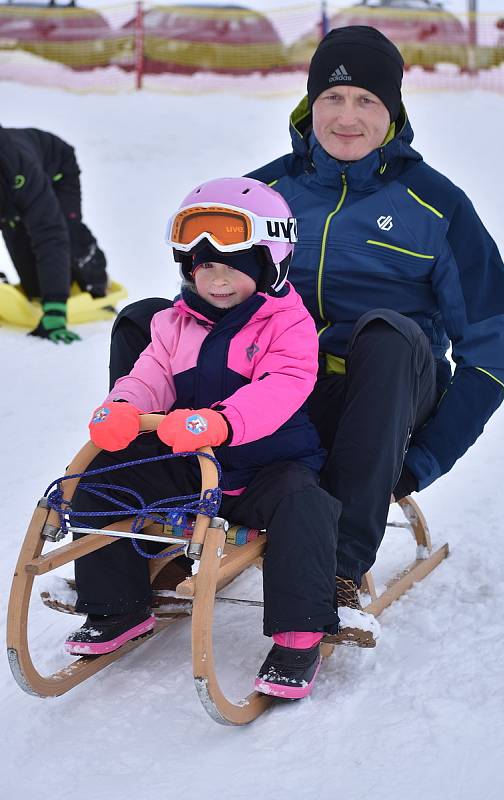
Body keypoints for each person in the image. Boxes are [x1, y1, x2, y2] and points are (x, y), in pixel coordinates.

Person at [107, 26, 504, 646]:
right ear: (309, 103)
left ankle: (338, 569)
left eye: (366, 102)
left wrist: (423, 458)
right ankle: (155, 524)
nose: (346, 117)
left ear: (394, 110)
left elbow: (492, 353)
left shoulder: (438, 208)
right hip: (273, 388)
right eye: (333, 98)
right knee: (145, 321)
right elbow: (198, 298)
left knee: (385, 333)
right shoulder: (266, 195)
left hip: (383, 394)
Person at [64, 176, 345, 700]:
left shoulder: (287, 325)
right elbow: (151, 374)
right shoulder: (174, 322)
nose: (216, 280)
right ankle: (116, 607)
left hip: (267, 467)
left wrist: (221, 421)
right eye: (204, 267)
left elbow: (281, 388)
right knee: (100, 482)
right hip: (194, 464)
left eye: (233, 267)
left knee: (306, 508)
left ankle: (298, 636)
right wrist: (125, 406)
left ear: (267, 264)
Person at [0, 125, 109, 343]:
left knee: (66, 231)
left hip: (56, 169)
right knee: (35, 289)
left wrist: (56, 309)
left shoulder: (20, 170)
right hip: (12, 189)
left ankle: (96, 281)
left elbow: (50, 233)